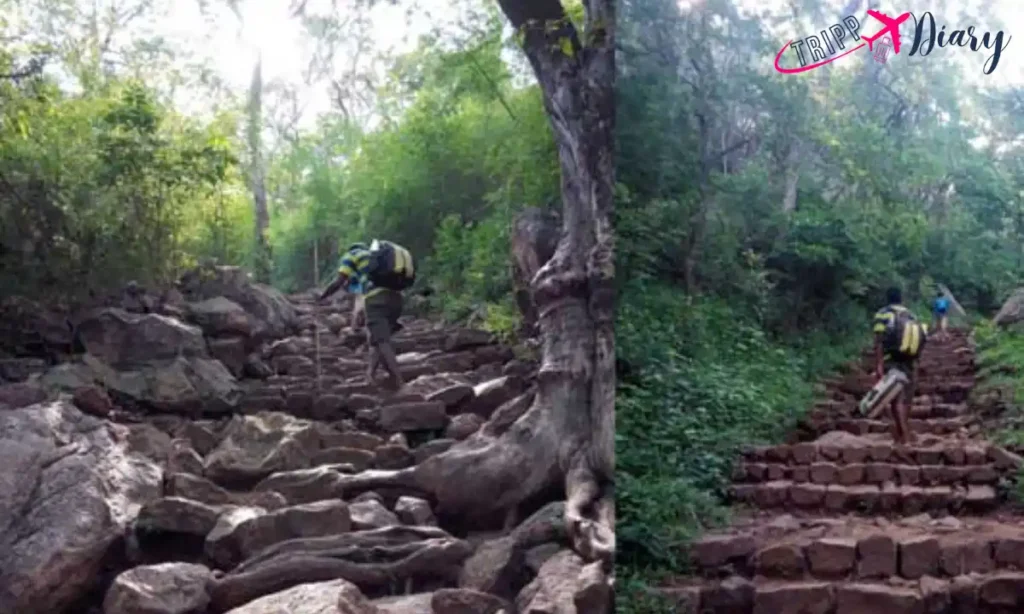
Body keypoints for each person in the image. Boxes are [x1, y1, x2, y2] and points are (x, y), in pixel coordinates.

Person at [318, 240, 416, 391]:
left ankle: (400, 382)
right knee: (375, 339)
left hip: (377, 299)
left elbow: (339, 281)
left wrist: (322, 296)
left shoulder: (352, 255)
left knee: (382, 341)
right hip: (396, 299)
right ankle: (370, 375)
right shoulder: (376, 258)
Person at [872, 286, 928, 445]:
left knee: (896, 399)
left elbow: (879, 340)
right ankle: (902, 433)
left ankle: (904, 436)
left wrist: (879, 364)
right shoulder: (911, 314)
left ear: (887, 298)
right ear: (901, 298)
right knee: (907, 399)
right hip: (910, 360)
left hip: (892, 359)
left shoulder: (883, 314)